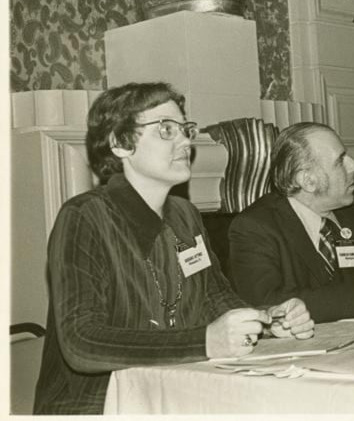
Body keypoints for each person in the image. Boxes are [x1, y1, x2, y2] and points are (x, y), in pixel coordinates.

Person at [34, 82, 314, 415]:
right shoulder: (84, 217)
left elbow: (214, 297)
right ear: (121, 143)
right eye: (166, 129)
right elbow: (82, 343)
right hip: (96, 405)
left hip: (174, 393)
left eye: (185, 129)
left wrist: (266, 322)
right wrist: (204, 342)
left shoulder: (186, 214)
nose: (185, 140)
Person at [229, 123, 354, 324]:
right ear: (308, 180)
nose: (353, 167)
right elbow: (267, 304)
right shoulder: (255, 227)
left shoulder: (349, 216)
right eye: (340, 161)